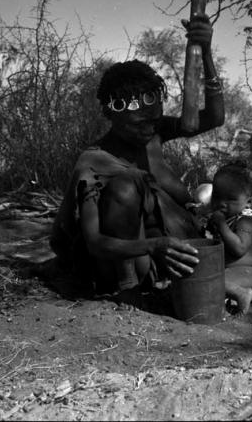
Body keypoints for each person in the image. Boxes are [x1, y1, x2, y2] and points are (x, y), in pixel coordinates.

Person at [50, 15, 225, 299]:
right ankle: (128, 289)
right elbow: (94, 242)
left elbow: (215, 118)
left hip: (176, 254)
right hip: (133, 262)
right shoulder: (94, 161)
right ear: (110, 115)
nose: (148, 128)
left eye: (153, 120)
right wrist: (153, 247)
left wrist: (205, 51)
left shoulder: (154, 132)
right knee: (125, 187)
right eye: (137, 123)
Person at [207, 160, 252, 315]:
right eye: (216, 196)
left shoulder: (246, 221)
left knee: (209, 280)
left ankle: (241, 293)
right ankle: (232, 294)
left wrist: (221, 225)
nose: (221, 203)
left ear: (249, 201)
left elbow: (239, 248)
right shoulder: (229, 219)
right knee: (208, 278)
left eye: (231, 199)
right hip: (244, 275)